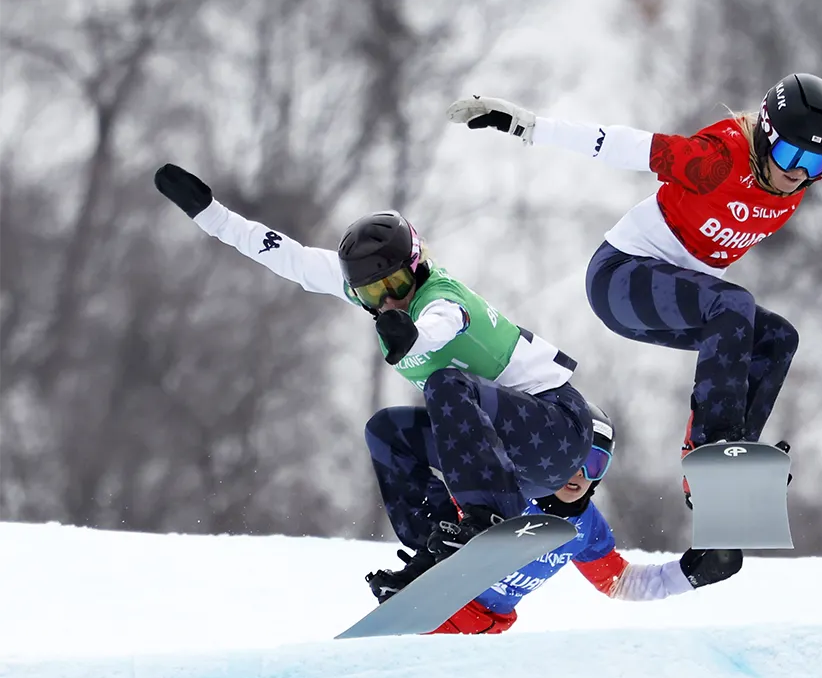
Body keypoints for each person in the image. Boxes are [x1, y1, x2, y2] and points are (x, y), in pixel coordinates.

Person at [446, 74, 822, 506]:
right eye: (790, 159)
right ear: (768, 137)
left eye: (816, 165)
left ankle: (713, 468)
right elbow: (620, 144)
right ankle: (713, 445)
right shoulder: (714, 160)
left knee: (776, 338)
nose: (797, 175)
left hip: (680, 295)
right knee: (735, 306)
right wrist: (527, 125)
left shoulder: (813, 142)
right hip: (622, 277)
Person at [153, 163, 597, 583]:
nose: (388, 301)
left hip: (558, 430)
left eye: (397, 286)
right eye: (372, 292)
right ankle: (436, 540)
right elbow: (291, 258)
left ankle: (485, 520)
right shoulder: (381, 303)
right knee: (386, 431)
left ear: (417, 266)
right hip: (505, 455)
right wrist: (212, 216)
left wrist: (413, 335)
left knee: (446, 384)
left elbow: (443, 325)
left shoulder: (441, 298)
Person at [365, 402, 743, 634]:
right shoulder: (508, 485)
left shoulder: (587, 529)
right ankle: (425, 565)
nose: (580, 474)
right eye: (573, 460)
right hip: (439, 605)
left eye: (594, 464)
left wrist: (687, 575)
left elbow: (619, 581)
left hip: (481, 630)